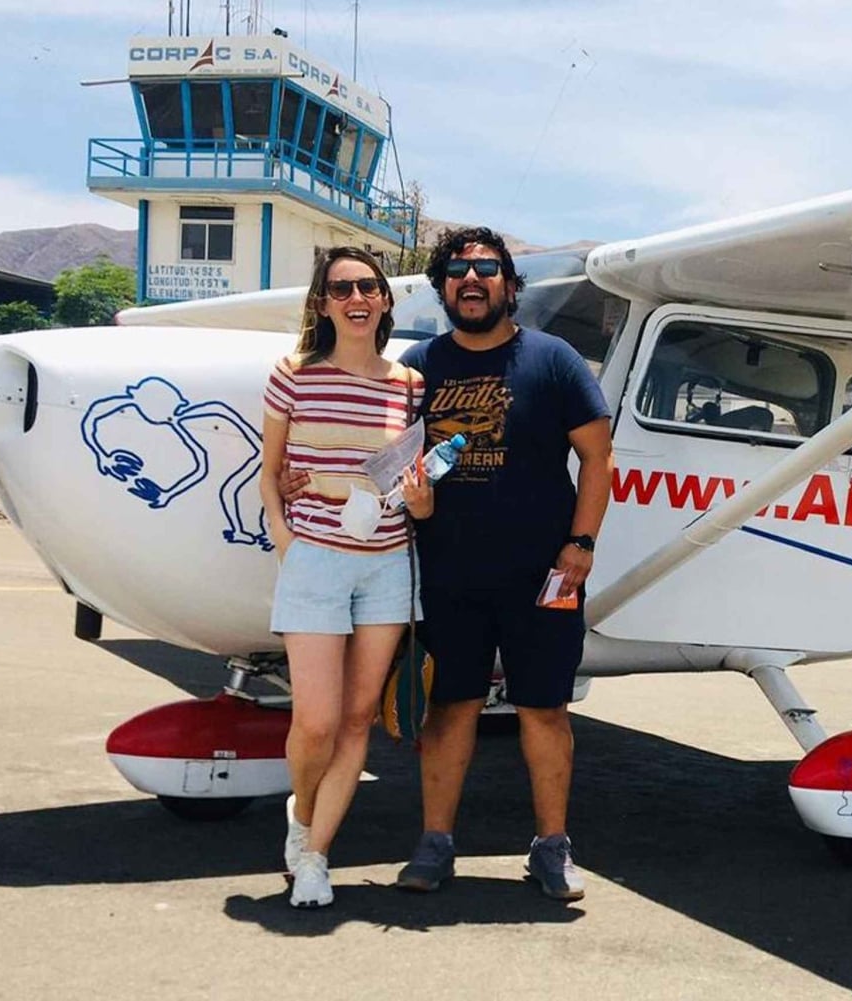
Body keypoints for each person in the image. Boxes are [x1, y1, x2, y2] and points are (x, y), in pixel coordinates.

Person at [394, 226, 613, 900]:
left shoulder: (555, 360)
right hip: (449, 575)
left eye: (487, 269)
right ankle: (434, 845)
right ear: (442, 289)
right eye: (458, 271)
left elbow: (598, 459)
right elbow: (386, 457)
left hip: (544, 575)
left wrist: (580, 546)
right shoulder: (418, 367)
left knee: (544, 709)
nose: (472, 280)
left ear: (509, 286)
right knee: (450, 708)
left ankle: (552, 848)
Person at [260, 246, 432, 908]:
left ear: (384, 300)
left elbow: (410, 483)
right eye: (341, 289)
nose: (356, 298)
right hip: (316, 561)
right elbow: (269, 473)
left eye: (368, 286)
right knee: (316, 723)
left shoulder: (409, 385)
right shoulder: (294, 374)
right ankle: (302, 816)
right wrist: (287, 540)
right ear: (322, 303)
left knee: (358, 718)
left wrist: (421, 501)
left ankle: (316, 856)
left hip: (388, 562)